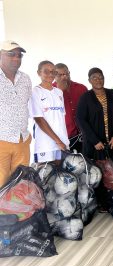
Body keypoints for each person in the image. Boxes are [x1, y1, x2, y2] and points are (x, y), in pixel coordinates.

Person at [0, 41, 32, 187]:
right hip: (2, 139)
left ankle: (15, 211)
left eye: (19, 55)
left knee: (20, 183)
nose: (16, 58)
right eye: (11, 54)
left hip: (22, 139)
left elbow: (28, 105)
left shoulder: (25, 79)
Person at [76, 67, 113, 159]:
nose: (98, 80)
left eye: (100, 77)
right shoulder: (85, 97)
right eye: (94, 78)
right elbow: (81, 120)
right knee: (98, 171)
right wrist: (94, 140)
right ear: (89, 80)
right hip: (95, 144)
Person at [29, 60, 69, 163]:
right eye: (46, 71)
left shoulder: (59, 92)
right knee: (46, 176)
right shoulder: (35, 92)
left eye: (53, 72)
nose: (50, 74)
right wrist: (58, 141)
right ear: (39, 73)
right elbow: (39, 119)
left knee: (60, 176)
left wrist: (63, 141)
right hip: (45, 146)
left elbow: (60, 119)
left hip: (62, 144)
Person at [53, 63, 88, 153]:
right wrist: (60, 91)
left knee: (86, 163)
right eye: (60, 75)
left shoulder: (81, 88)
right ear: (54, 75)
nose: (64, 77)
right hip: (63, 138)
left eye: (66, 74)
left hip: (83, 135)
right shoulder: (50, 91)